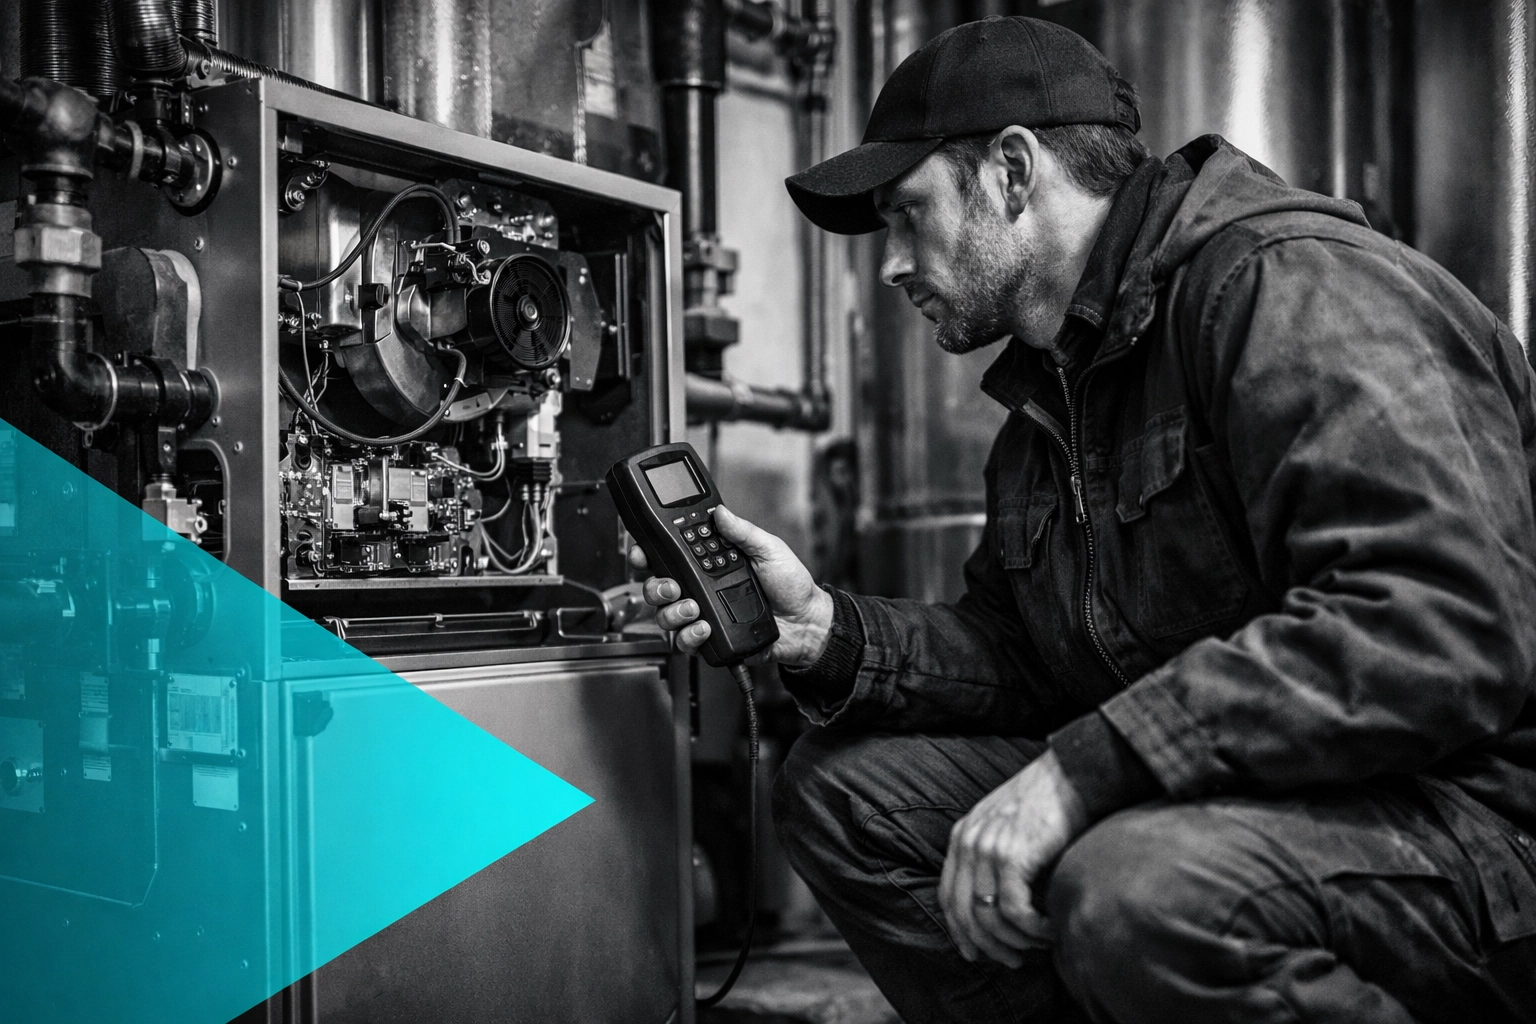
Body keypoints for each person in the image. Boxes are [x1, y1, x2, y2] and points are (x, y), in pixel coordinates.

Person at [632, 16, 1536, 1023]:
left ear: (1013, 173)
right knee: (850, 795)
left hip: (1465, 826)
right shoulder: (1047, 408)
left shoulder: (1292, 287)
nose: (892, 263)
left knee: (1141, 888)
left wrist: (1083, 768)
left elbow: (1437, 622)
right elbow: (1023, 661)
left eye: (908, 213)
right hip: (1258, 804)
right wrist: (826, 632)